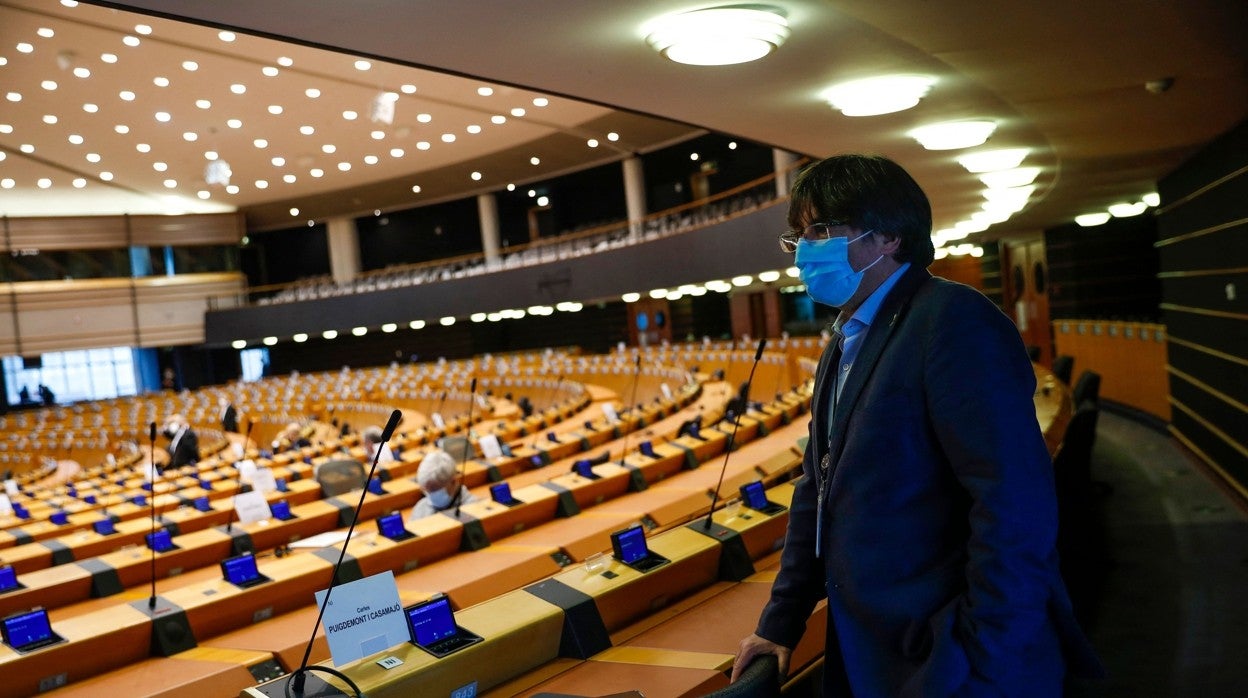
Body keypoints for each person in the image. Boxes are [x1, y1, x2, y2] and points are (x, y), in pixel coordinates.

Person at [732, 155, 1101, 695]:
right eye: (798, 236)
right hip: (875, 648)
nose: (805, 249)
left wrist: (983, 655)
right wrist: (781, 621)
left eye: (821, 230)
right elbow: (819, 486)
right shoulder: (846, 337)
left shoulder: (954, 321)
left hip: (947, 657)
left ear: (888, 238)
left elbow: (1013, 502)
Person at [409, 449, 476, 519]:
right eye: (428, 491)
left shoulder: (474, 509)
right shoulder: (420, 510)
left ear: (453, 482)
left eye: (435, 490)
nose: (432, 495)